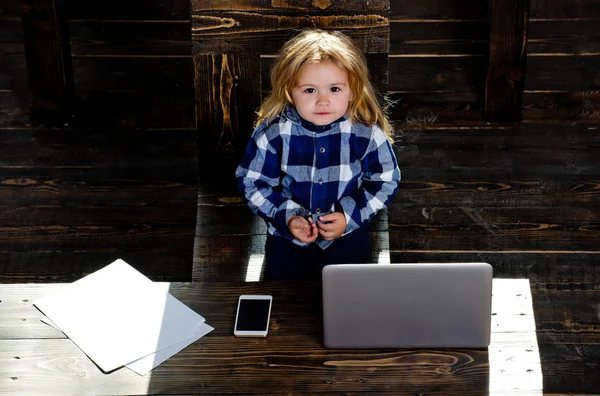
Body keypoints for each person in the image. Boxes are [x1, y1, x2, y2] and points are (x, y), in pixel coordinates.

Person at [235, 29, 401, 280]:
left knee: (350, 300)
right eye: (310, 90)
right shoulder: (274, 133)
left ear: (352, 90)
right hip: (288, 239)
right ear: (290, 92)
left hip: (348, 237)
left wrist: (349, 216)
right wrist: (288, 217)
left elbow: (385, 180)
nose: (323, 101)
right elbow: (253, 183)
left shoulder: (365, 133)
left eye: (334, 89)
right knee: (284, 300)